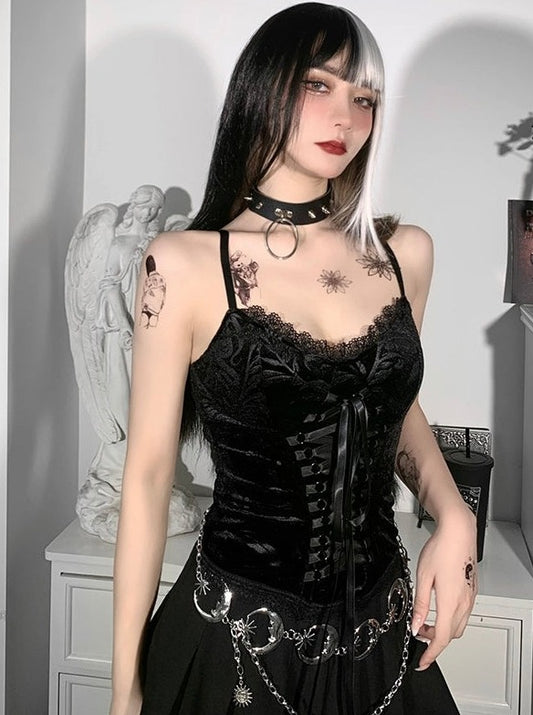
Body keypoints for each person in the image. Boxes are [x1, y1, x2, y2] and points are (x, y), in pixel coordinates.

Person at [110, 4, 478, 714]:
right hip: (234, 644)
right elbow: (149, 477)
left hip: (382, 638)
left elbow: (392, 412)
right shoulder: (182, 265)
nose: (346, 117)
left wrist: (453, 513)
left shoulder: (404, 254)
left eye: (364, 98)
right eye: (319, 85)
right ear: (263, 87)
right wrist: (125, 691)